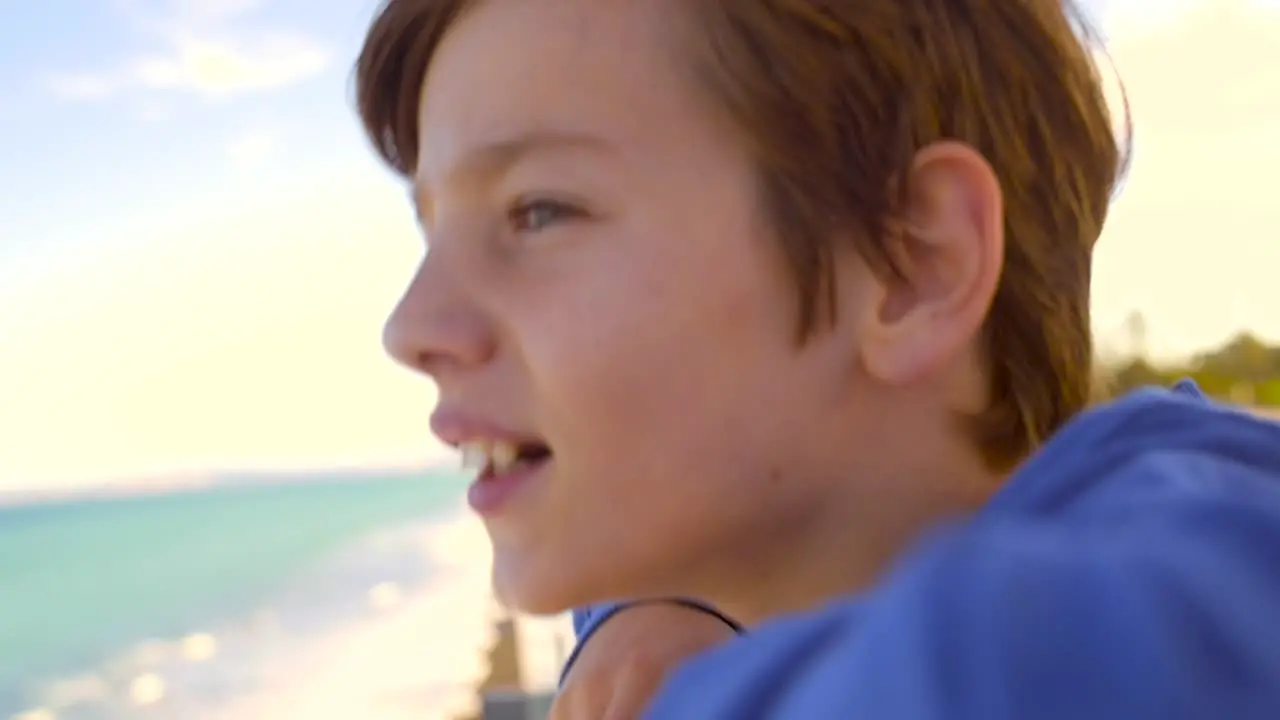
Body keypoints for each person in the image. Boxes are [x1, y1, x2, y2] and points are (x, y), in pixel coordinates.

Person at [353, 0, 1280, 717]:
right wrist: (655, 604)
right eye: (432, 232)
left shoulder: (1200, 547)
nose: (412, 325)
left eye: (539, 211)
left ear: (912, 264)